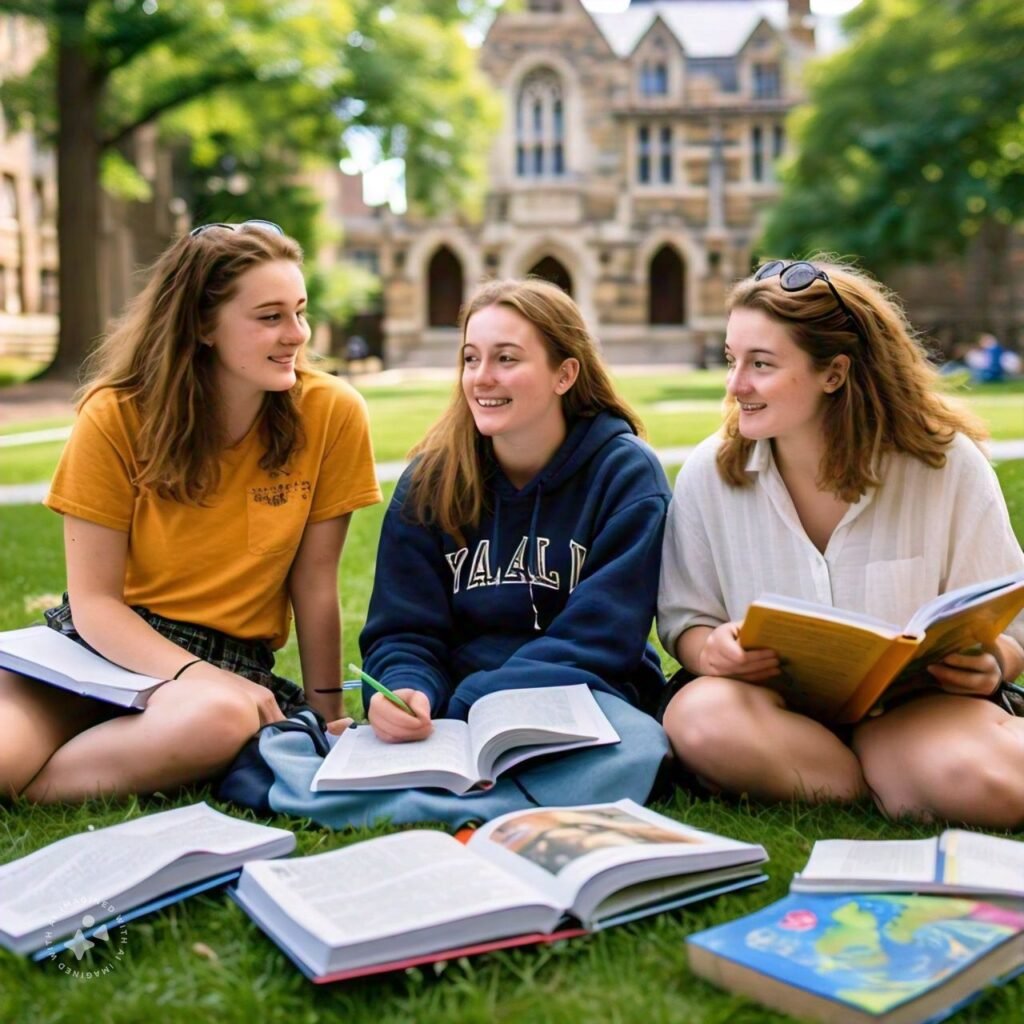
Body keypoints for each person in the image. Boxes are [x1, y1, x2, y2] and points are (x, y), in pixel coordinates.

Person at [0, 221, 380, 803]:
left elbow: (314, 583)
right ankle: (59, 757)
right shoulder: (115, 414)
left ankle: (46, 781)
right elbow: (96, 603)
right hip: (100, 647)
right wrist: (189, 675)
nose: (296, 335)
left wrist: (328, 716)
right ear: (203, 325)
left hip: (226, 669)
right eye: (270, 317)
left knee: (221, 718)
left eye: (299, 312)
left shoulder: (331, 412)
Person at [657, 259, 1024, 829]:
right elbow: (686, 618)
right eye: (733, 360)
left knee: (994, 787)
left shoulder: (946, 464)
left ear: (834, 373)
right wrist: (711, 651)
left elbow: (1010, 625)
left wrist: (994, 662)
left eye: (761, 364)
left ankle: (891, 766)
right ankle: (877, 778)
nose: (735, 385)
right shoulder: (710, 472)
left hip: (919, 711)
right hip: (770, 713)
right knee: (700, 720)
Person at [357, 278, 671, 792]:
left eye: (507, 359)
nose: (482, 378)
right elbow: (403, 630)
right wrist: (405, 689)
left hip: (583, 700)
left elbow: (600, 641)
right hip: (457, 712)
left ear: (564, 374)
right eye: (471, 358)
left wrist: (473, 700)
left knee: (640, 749)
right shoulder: (430, 482)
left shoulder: (625, 476)